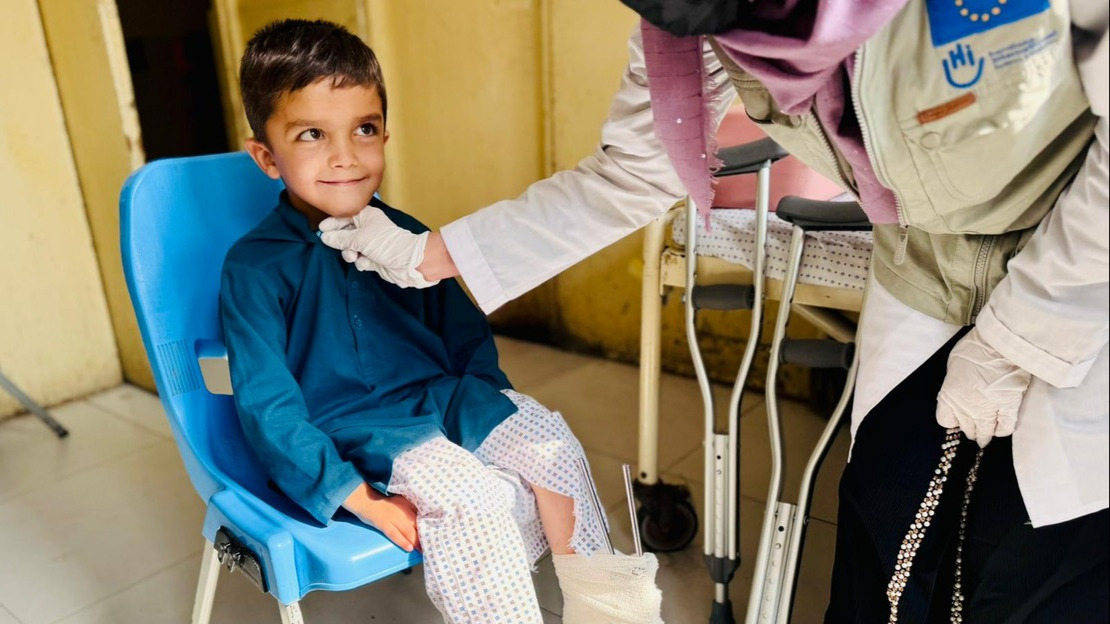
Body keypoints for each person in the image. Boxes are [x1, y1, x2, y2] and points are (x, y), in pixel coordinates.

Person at [321, 1, 1109, 621]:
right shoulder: (691, 23)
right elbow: (633, 169)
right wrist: (429, 255)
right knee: (882, 520)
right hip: (926, 262)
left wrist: (1021, 338)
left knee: (1034, 561)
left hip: (1085, 270)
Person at [219, 19, 663, 623]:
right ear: (267, 157)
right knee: (472, 498)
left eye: (365, 129)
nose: (346, 157)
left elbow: (466, 340)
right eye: (313, 135)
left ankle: (611, 613)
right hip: (357, 427)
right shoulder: (254, 267)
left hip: (450, 400)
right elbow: (269, 407)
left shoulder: (405, 234)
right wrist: (362, 500)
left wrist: (495, 424)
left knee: (553, 447)